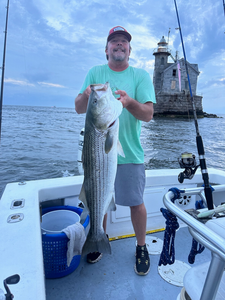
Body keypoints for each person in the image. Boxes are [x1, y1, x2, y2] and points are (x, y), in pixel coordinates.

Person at [75, 26, 156, 276]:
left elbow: (148, 114)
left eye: (123, 42)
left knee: (136, 203)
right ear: (106, 49)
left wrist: (130, 102)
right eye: (114, 42)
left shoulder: (140, 76)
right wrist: (89, 96)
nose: (119, 45)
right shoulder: (95, 72)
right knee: (100, 197)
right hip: (98, 154)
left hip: (130, 153)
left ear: (129, 49)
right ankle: (99, 238)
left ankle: (141, 246)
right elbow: (79, 108)